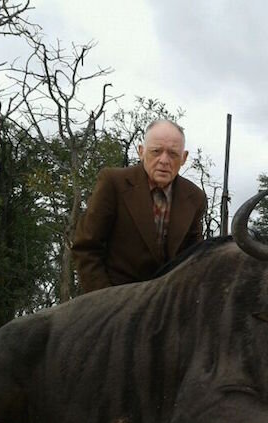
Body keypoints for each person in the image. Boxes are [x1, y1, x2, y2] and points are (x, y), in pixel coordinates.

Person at [72, 119, 207, 293]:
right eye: (156, 151)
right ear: (141, 152)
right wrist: (104, 300)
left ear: (184, 158)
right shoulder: (114, 182)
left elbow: (194, 258)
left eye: (173, 154)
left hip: (167, 304)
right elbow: (86, 247)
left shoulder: (194, 197)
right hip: (114, 300)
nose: (164, 160)